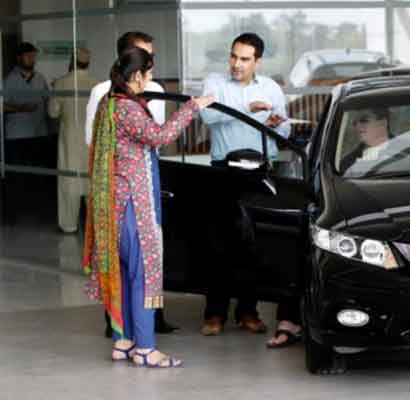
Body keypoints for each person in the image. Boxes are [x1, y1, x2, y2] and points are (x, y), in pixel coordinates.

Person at [82, 47, 214, 367]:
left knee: (125, 275)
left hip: (113, 206)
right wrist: (191, 107)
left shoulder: (108, 103)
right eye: (149, 73)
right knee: (142, 277)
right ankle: (146, 349)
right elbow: (159, 137)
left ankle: (123, 342)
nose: (151, 79)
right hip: (132, 207)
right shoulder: (126, 108)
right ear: (136, 76)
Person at [198, 32, 290, 338]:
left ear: (257, 61)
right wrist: (246, 108)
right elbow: (208, 115)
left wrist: (277, 124)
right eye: (234, 56)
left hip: (258, 171)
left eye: (244, 59)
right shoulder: (215, 83)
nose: (237, 64)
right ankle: (214, 315)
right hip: (224, 170)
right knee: (218, 244)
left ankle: (248, 312)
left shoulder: (271, 88)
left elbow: (286, 128)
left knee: (254, 245)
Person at [84, 31, 175, 335]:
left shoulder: (154, 89)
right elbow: (95, 141)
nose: (151, 65)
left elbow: (154, 142)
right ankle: (129, 334)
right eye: (145, 58)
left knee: (146, 254)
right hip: (121, 182)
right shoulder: (106, 95)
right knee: (131, 261)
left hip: (146, 175)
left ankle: (143, 324)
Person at [49, 48, 99, 234]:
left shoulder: (61, 83)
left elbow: (53, 112)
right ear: (88, 63)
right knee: (91, 181)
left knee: (68, 182)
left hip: (69, 140)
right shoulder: (96, 84)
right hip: (90, 139)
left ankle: (69, 225)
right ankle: (93, 226)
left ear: (71, 61)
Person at [3, 42, 50, 167]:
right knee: (21, 174)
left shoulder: (40, 78)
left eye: (33, 56)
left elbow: (48, 101)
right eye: (28, 56)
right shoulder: (8, 80)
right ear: (19, 58)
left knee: (39, 171)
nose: (31, 59)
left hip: (39, 133)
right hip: (17, 135)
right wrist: (19, 108)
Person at [339, 107, 393, 172]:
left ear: (383, 123)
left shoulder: (406, 150)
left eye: (364, 121)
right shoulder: (347, 163)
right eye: (354, 123)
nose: (357, 127)